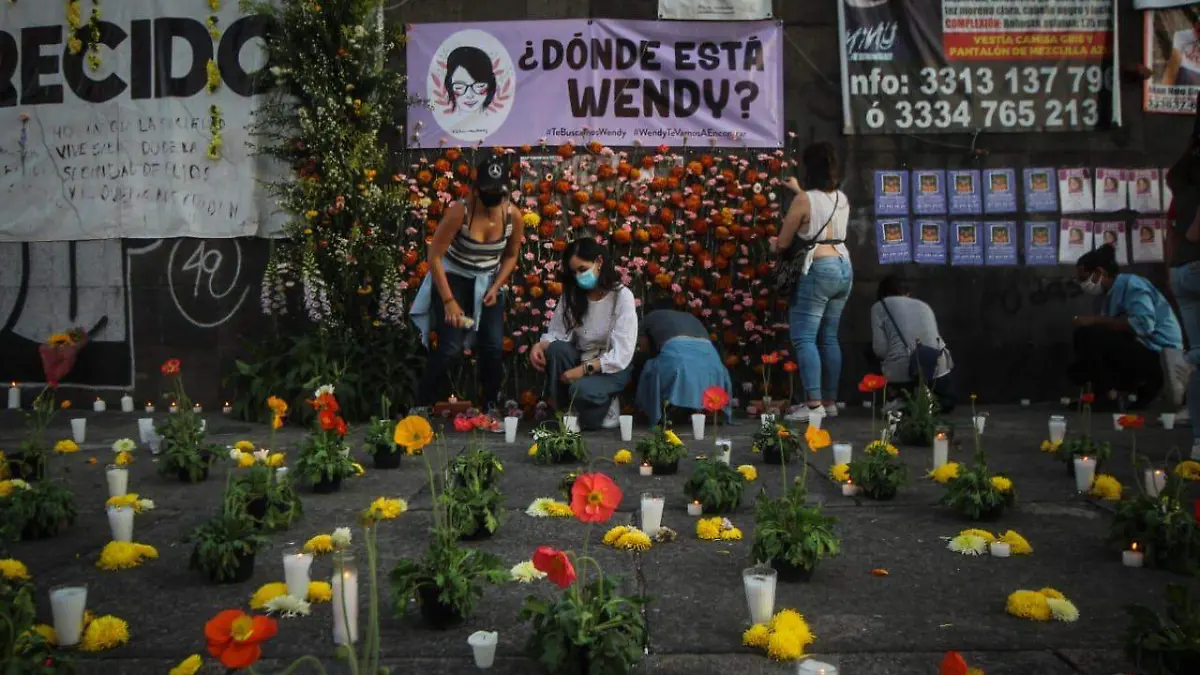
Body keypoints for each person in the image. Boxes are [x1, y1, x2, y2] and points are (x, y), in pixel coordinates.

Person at [411, 156, 525, 427]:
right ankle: (420, 405)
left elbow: (511, 256)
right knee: (450, 347)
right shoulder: (460, 212)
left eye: (498, 193)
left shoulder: (512, 215)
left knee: (493, 346)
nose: (493, 199)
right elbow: (435, 256)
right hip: (453, 279)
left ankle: (489, 406)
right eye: (487, 193)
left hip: (487, 282)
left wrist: (497, 286)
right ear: (474, 190)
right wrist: (449, 300)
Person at [776, 142, 852, 423]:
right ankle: (830, 401)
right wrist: (799, 192)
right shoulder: (842, 198)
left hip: (818, 267)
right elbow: (822, 210)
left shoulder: (803, 201)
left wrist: (776, 246)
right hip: (844, 266)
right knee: (829, 337)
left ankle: (813, 405)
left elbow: (784, 242)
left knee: (804, 337)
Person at [530, 238, 637, 430]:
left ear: (599, 262)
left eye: (582, 269)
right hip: (581, 356)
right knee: (556, 350)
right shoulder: (573, 295)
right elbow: (557, 332)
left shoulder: (622, 296)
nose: (579, 277)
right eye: (574, 272)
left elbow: (622, 354)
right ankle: (566, 412)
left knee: (581, 390)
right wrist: (539, 345)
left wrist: (582, 370)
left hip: (610, 366)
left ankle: (605, 405)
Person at [1067, 244, 1184, 409]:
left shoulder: (1133, 285)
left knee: (1090, 334)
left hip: (1159, 354)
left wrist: (1096, 320)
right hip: (1139, 351)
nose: (1082, 284)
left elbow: (1144, 326)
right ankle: (1115, 394)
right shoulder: (1104, 297)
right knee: (1079, 363)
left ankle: (1110, 397)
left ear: (1100, 272)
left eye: (1084, 278)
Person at [633, 292, 734, 428]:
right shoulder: (690, 317)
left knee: (650, 366)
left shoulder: (651, 317)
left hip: (678, 358)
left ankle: (656, 411)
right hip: (711, 360)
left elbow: (643, 349)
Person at [868, 275, 955, 412]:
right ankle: (930, 402)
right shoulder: (923, 305)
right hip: (938, 368)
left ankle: (900, 400)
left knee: (869, 351)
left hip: (903, 373)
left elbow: (880, 349)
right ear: (907, 293)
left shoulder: (880, 306)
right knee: (944, 401)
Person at [1165, 129, 1200, 454]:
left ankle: (1199, 443)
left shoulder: (1184, 171)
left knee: (1199, 355)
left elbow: (1171, 230)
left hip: (1181, 270)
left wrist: (1170, 271)